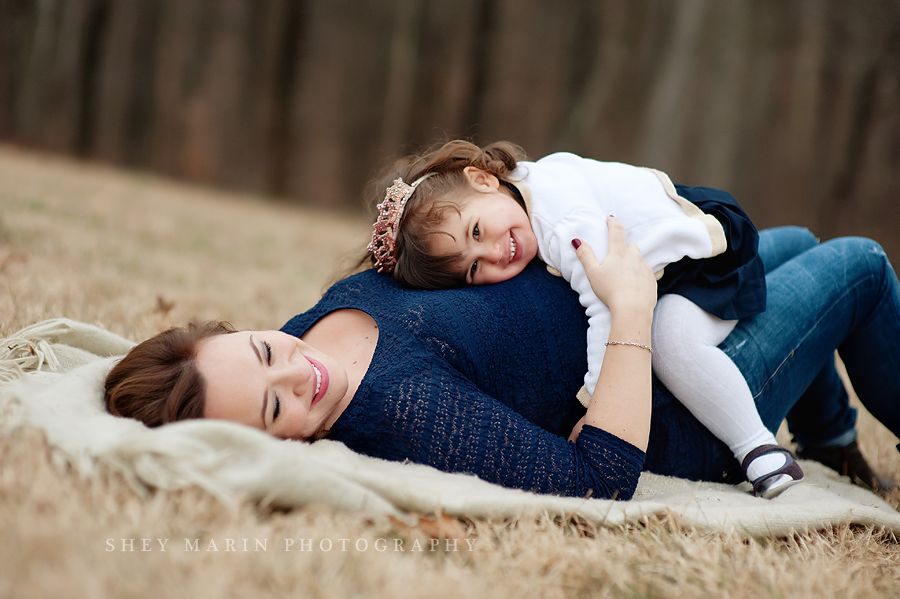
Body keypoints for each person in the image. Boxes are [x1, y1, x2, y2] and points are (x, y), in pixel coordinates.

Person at [104, 224, 899, 501]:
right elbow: (597, 476)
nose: (299, 371)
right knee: (858, 265)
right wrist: (627, 307)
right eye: (279, 407)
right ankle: (811, 427)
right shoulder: (403, 412)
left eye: (264, 352)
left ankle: (830, 440)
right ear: (270, 445)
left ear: (243, 331)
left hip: (652, 303)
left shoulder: (309, 326)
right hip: (680, 395)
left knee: (783, 244)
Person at [363, 140, 796, 497]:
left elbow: (611, 307)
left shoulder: (564, 225)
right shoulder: (519, 189)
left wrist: (592, 401)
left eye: (476, 232)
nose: (494, 253)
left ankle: (758, 449)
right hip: (669, 239)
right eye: (474, 268)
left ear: (482, 178)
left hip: (705, 257)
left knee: (669, 341)